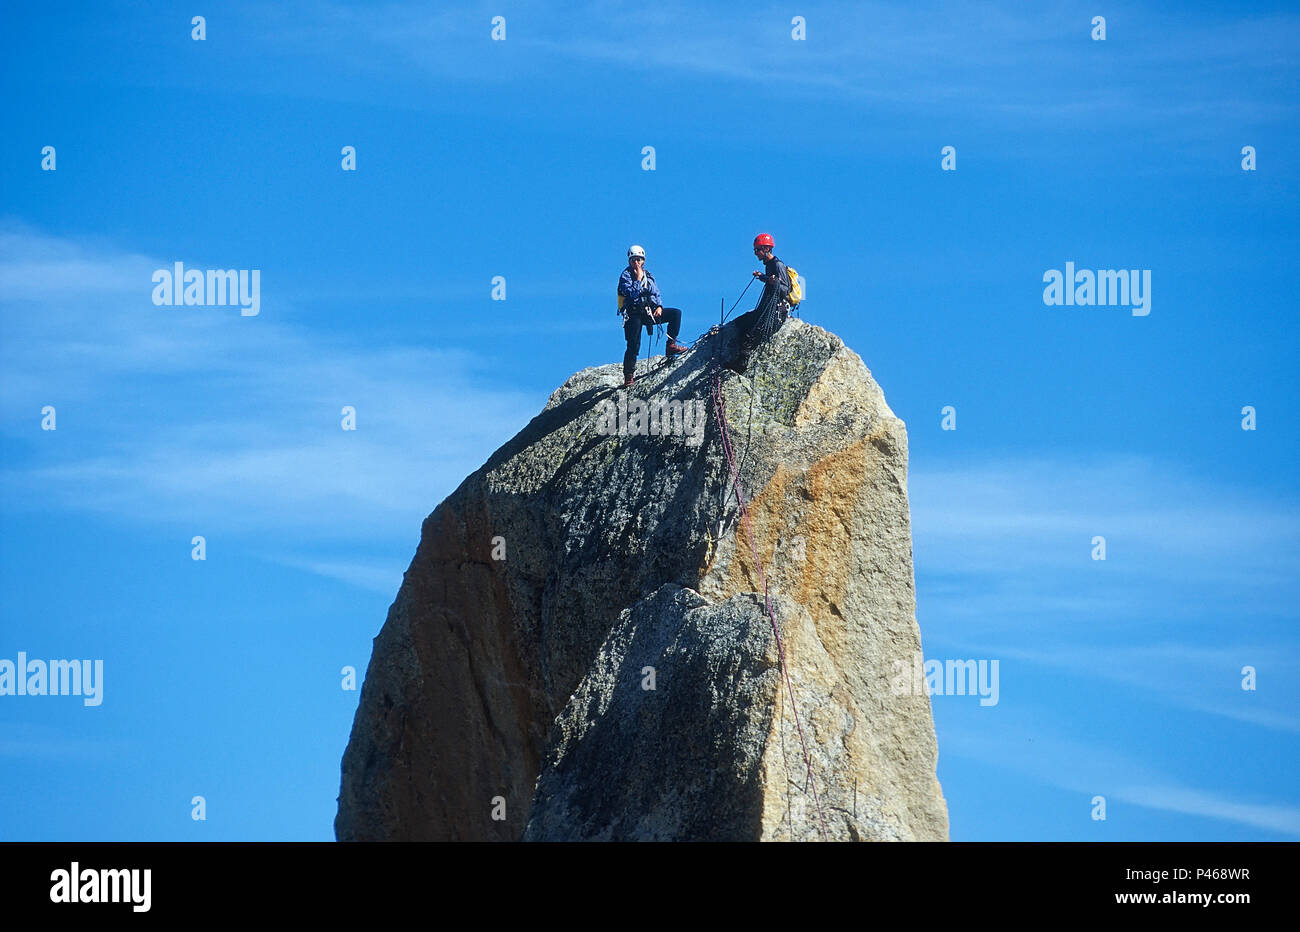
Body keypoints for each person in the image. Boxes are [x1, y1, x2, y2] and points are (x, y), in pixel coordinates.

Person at [617, 244, 687, 388]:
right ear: (629, 261)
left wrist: (659, 306)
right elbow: (631, 293)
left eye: (639, 259)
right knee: (633, 344)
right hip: (633, 313)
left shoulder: (648, 275)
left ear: (643, 260)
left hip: (648, 311)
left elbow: (655, 292)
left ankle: (671, 345)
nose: (636, 263)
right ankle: (629, 376)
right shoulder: (625, 276)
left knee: (675, 314)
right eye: (633, 260)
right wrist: (637, 279)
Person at [729, 233, 791, 373]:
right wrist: (763, 277)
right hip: (768, 307)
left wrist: (771, 281)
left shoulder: (777, 265)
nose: (755, 253)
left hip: (775, 311)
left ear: (766, 249)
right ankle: (740, 360)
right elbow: (772, 281)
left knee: (751, 331)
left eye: (757, 250)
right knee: (741, 323)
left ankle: (742, 362)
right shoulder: (769, 265)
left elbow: (785, 290)